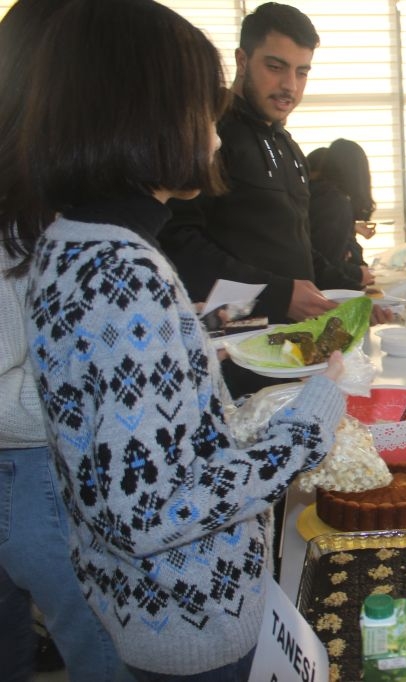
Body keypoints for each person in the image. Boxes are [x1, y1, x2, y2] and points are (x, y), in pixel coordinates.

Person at [16, 0, 348, 677]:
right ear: (145, 116)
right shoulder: (122, 270)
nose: (217, 137)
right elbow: (155, 509)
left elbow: (137, 443)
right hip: (191, 614)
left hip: (142, 603)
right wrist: (313, 416)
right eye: (201, 110)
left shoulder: (67, 245)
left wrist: (188, 339)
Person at [0, 2, 131, 679]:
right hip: (34, 474)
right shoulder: (17, 200)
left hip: (44, 473)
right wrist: (109, 375)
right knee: (109, 657)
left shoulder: (47, 181)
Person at [159, 3, 368, 326]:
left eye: (302, 72)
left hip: (293, 346)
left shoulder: (290, 147)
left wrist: (354, 290)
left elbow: (296, 249)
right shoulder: (209, 133)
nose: (290, 85)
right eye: (276, 67)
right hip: (233, 347)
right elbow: (177, 241)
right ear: (242, 61)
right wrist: (278, 294)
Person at [307, 139, 377, 289]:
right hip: (325, 291)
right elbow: (326, 262)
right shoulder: (334, 201)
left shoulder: (319, 194)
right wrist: (358, 274)